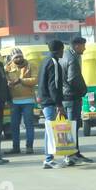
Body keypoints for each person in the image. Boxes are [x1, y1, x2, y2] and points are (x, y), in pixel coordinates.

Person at [60, 35, 96, 164]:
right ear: (76, 45)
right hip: (71, 96)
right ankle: (70, 155)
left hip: (66, 96)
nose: (84, 48)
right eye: (83, 46)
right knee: (71, 127)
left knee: (71, 126)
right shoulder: (72, 59)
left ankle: (75, 153)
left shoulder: (65, 56)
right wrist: (83, 90)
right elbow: (73, 78)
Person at [38, 40, 70, 169]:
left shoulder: (45, 61)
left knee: (49, 129)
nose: (63, 52)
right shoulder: (54, 62)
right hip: (51, 102)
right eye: (63, 49)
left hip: (45, 100)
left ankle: (50, 158)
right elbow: (54, 85)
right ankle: (48, 159)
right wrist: (59, 105)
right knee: (51, 130)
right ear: (59, 50)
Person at [5, 48, 37, 155]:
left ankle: (29, 147)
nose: (19, 59)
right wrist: (8, 84)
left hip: (28, 100)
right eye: (16, 57)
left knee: (29, 125)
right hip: (14, 101)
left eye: (20, 56)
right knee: (14, 126)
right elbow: (4, 81)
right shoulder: (8, 68)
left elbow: (35, 80)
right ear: (12, 58)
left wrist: (21, 80)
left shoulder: (31, 65)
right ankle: (16, 147)